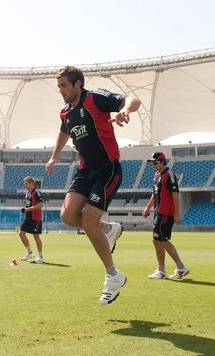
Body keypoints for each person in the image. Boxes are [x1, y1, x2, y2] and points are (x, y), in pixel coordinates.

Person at [45, 65, 141, 305]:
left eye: (64, 86)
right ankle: (108, 229)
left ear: (78, 84)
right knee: (67, 216)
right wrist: (54, 155)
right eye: (59, 87)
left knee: (88, 222)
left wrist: (125, 110)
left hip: (108, 169)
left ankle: (113, 276)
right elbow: (63, 133)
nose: (61, 91)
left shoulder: (95, 98)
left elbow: (133, 98)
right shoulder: (65, 112)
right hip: (85, 169)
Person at [142, 152, 190, 280]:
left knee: (163, 241)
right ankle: (162, 270)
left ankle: (181, 268)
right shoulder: (157, 175)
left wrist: (177, 213)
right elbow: (155, 193)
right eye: (152, 162)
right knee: (156, 240)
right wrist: (148, 207)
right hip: (158, 212)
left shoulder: (169, 175)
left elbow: (175, 194)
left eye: (155, 162)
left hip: (166, 213)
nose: (153, 164)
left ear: (162, 162)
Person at [19, 176, 45, 263]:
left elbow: (40, 205)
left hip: (35, 218)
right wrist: (26, 210)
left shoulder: (37, 192)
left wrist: (27, 209)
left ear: (31, 183)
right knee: (21, 234)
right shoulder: (27, 193)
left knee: (36, 236)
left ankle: (41, 257)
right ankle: (30, 252)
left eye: (26, 183)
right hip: (27, 218)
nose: (25, 185)